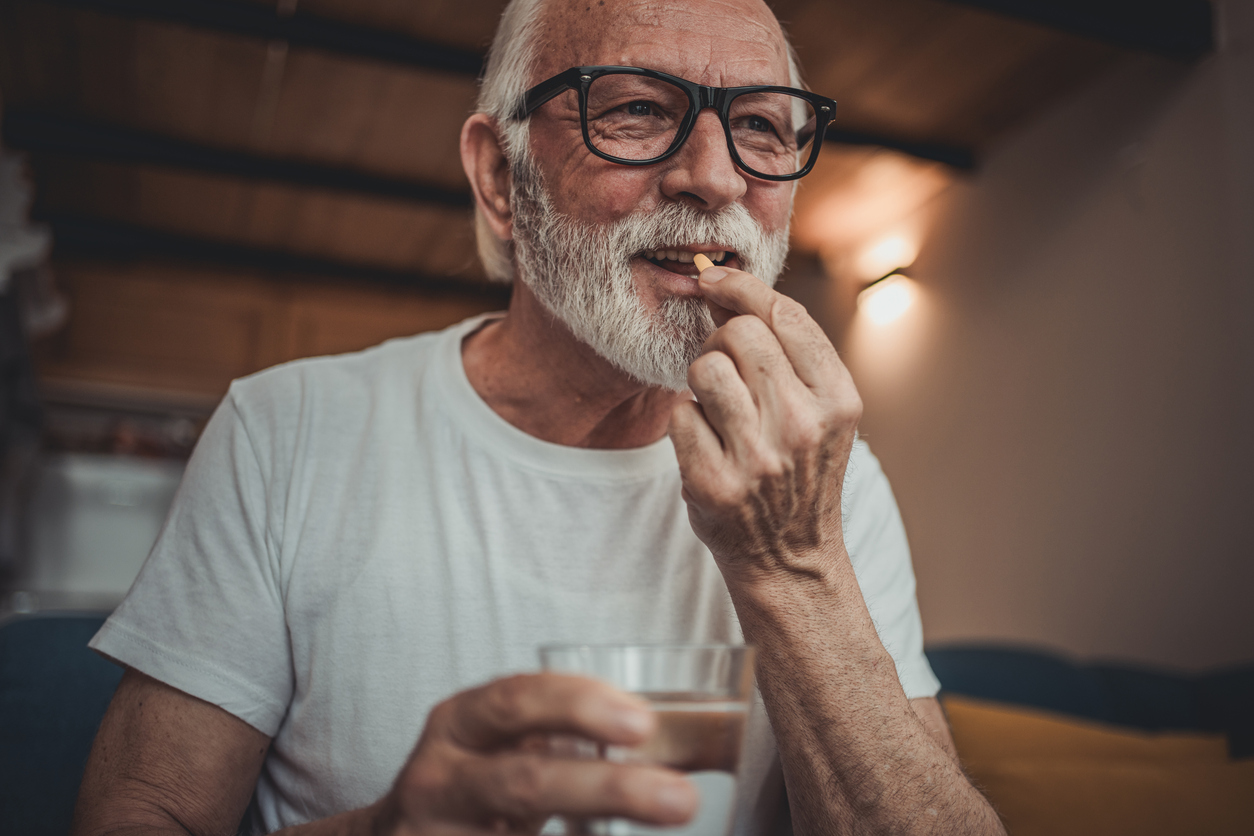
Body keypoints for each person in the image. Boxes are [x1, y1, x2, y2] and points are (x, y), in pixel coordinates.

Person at [73, 0, 1006, 833]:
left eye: (761, 125)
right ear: (500, 178)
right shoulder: (285, 430)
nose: (716, 177)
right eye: (638, 107)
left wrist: (796, 566)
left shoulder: (828, 480)